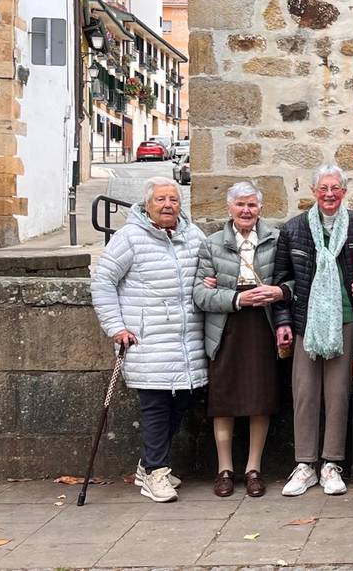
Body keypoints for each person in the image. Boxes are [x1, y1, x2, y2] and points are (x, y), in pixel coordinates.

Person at [91, 177, 205, 503]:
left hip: (186, 341)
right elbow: (103, 282)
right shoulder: (129, 238)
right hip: (146, 339)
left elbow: (207, 269)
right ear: (147, 205)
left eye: (173, 199)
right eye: (161, 200)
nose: (168, 205)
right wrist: (116, 328)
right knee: (155, 406)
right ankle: (156, 471)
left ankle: (148, 465)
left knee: (181, 404)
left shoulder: (192, 235)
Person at [273, 165, 353, 498]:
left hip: (344, 319)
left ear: (344, 191)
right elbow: (282, 279)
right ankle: (304, 464)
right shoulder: (294, 229)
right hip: (306, 323)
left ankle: (331, 464)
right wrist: (283, 321)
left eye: (336, 188)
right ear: (314, 191)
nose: (330, 194)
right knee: (305, 393)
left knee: (338, 393)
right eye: (324, 188)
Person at [193, 182, 286, 498]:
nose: (246, 211)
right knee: (225, 400)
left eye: (252, 205)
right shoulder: (212, 244)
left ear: (261, 208)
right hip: (227, 327)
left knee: (260, 399)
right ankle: (224, 469)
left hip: (263, 325)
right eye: (240, 205)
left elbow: (290, 281)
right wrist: (236, 299)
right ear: (229, 208)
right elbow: (200, 294)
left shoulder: (275, 239)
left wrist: (277, 291)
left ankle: (253, 468)